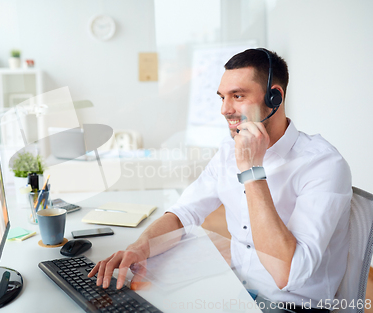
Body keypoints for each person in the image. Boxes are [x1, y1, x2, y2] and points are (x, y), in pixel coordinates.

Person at [89, 49, 351, 311]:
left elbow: (287, 275)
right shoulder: (229, 151)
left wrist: (252, 170)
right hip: (235, 290)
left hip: (289, 306)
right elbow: (183, 213)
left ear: (275, 97)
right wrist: (139, 249)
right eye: (222, 97)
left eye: (238, 96)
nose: (225, 109)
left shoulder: (323, 164)